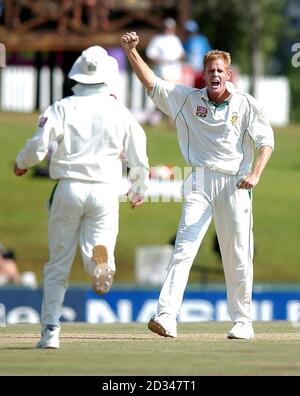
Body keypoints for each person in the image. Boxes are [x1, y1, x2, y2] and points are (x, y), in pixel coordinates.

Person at [121, 32, 274, 340]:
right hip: (199, 181)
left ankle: (243, 321)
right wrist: (131, 51)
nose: (215, 75)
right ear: (203, 75)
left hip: (235, 182)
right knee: (183, 249)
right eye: (210, 71)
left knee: (238, 254)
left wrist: (256, 174)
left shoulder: (246, 104)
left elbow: (266, 142)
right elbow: (151, 83)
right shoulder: (187, 99)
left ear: (228, 75)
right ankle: (166, 316)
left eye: (220, 71)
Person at [14, 45, 149, 348]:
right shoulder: (120, 112)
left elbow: (38, 146)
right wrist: (139, 186)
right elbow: (138, 152)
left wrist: (21, 164)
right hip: (104, 190)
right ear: (108, 78)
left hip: (69, 188)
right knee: (98, 246)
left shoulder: (63, 107)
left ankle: (50, 331)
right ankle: (99, 264)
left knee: (58, 264)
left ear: (78, 75)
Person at [145, 18, 185, 125]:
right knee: (162, 96)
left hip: (175, 71)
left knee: (173, 95)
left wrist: (177, 59)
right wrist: (160, 60)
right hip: (162, 70)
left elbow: (182, 54)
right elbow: (150, 54)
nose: (168, 30)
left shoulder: (175, 40)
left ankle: (171, 120)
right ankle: (157, 118)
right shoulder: (157, 39)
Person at [183, 19, 212, 89]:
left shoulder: (190, 41)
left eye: (189, 32)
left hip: (199, 69)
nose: (188, 33)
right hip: (195, 69)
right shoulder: (202, 39)